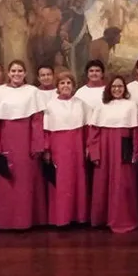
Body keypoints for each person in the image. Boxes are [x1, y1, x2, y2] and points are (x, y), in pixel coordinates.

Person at [0, 60, 47, 230]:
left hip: (26, 142)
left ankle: (26, 220)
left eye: (20, 70)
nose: (16, 74)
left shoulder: (33, 92)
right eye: (13, 71)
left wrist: (37, 145)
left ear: (25, 73)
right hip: (6, 140)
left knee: (26, 181)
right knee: (8, 181)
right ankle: (7, 222)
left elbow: (37, 121)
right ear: (8, 73)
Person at [87, 75, 138, 233]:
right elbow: (94, 133)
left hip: (123, 147)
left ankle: (123, 219)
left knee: (122, 183)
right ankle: (102, 219)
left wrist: (135, 151)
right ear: (109, 88)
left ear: (125, 89)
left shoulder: (131, 105)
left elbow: (135, 131)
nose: (117, 89)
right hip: (104, 148)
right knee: (102, 182)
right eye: (114, 87)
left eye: (120, 87)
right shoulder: (101, 106)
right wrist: (95, 153)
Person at [43, 71, 90, 227]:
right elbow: (46, 130)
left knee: (78, 179)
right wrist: (47, 150)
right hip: (59, 146)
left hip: (77, 145)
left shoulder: (81, 104)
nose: (65, 86)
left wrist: (88, 146)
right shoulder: (50, 105)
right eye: (62, 83)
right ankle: (61, 218)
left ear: (73, 86)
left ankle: (78, 217)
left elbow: (86, 128)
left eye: (68, 83)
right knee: (61, 181)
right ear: (57, 86)